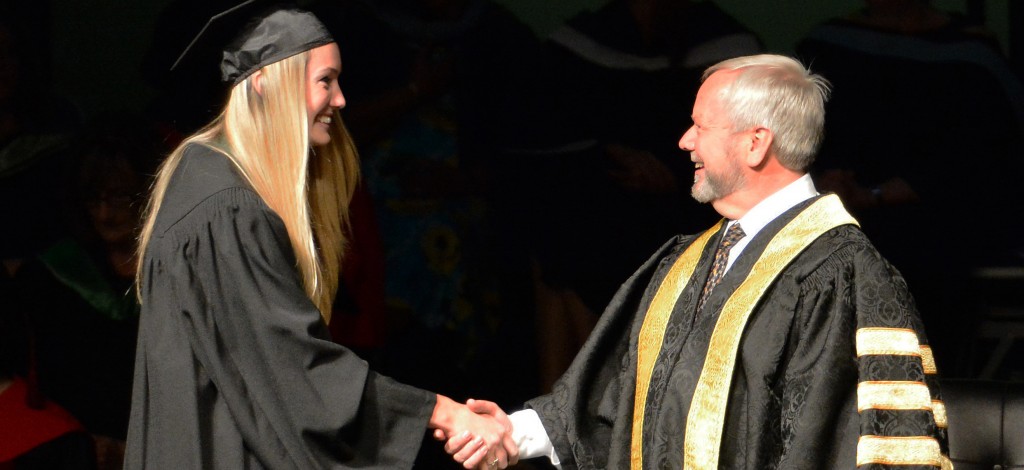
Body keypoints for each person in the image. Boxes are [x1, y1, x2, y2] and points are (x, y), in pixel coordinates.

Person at [446, 54, 951, 469]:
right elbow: (621, 393)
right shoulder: (685, 261)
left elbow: (852, 441)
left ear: (756, 143)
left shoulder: (843, 274)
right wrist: (512, 433)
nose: (684, 141)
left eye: (699, 125)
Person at [125, 3, 514, 469]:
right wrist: (443, 413)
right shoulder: (226, 208)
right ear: (266, 82)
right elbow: (294, 368)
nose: (342, 99)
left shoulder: (207, 177)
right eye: (325, 81)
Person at [509, 0, 763, 391]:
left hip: (690, 221)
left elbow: (751, 149)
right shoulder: (580, 42)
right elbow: (537, 141)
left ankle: (579, 413)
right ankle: (568, 415)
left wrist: (677, 174)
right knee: (559, 233)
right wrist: (604, 154)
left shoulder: (729, 48)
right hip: (593, 210)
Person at [796, 0, 1024, 374]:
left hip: (935, 222)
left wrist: (882, 194)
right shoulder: (828, 45)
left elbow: (988, 159)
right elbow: (800, 133)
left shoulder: (971, 56)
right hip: (836, 207)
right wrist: (822, 178)